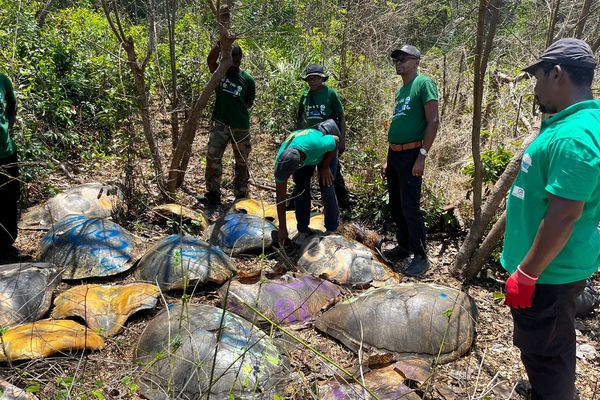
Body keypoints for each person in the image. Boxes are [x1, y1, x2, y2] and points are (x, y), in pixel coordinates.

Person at [501, 38, 599, 400]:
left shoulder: (575, 136)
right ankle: (546, 387)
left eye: (538, 77)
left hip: (547, 275)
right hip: (550, 270)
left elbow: (564, 216)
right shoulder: (579, 122)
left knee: (548, 353)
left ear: (556, 74)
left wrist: (526, 274)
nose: (535, 86)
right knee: (548, 345)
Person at [380, 45, 439, 277]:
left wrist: (422, 156)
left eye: (403, 58)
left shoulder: (423, 83)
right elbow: (399, 125)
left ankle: (420, 255)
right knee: (396, 204)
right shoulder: (401, 90)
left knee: (410, 206)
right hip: (395, 155)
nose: (398, 62)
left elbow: (433, 121)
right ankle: (404, 246)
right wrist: (388, 158)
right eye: (395, 59)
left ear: (416, 61)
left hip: (412, 154)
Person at [201, 43, 256, 206]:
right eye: (231, 58)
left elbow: (248, 102)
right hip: (220, 123)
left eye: (237, 59)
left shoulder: (247, 79)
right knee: (213, 157)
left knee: (241, 161)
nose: (234, 62)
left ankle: (241, 195)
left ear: (240, 59)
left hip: (240, 126)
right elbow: (210, 61)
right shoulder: (220, 73)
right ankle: (213, 193)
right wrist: (219, 45)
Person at [274, 119, 340, 244]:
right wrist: (282, 228)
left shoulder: (317, 144)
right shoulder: (281, 163)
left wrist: (325, 166)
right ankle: (303, 230)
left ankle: (332, 230)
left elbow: (336, 140)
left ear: (299, 164)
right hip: (304, 152)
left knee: (326, 184)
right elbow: (281, 197)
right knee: (301, 188)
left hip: (325, 152)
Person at [296, 64, 350, 215]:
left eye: (316, 78)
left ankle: (339, 213)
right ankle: (299, 212)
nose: (312, 81)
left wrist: (342, 139)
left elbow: (341, 116)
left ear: (322, 79)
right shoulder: (305, 96)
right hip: (309, 144)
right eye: (309, 78)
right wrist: (299, 133)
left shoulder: (330, 94)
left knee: (329, 178)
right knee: (302, 178)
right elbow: (300, 115)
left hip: (327, 142)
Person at [0, 72, 19, 259]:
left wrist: (7, 126)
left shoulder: (2, 80)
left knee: (10, 197)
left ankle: (7, 245)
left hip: (6, 153)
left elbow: (12, 104)